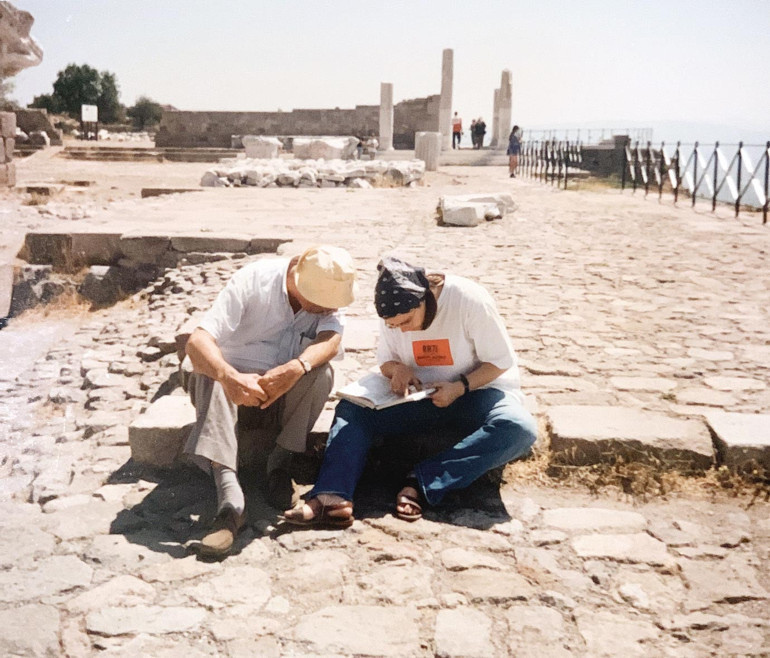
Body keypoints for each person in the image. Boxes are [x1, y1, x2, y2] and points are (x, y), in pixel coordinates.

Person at [284, 257, 536, 528]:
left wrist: (459, 387)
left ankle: (422, 481)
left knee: (518, 428)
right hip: (421, 397)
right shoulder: (393, 317)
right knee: (351, 409)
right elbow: (386, 360)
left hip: (477, 392)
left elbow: (500, 361)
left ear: (424, 299)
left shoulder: (469, 299)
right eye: (394, 326)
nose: (402, 329)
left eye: (407, 321)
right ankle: (332, 496)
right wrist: (397, 369)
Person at [184, 245, 356, 557]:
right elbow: (197, 341)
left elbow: (331, 340)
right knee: (206, 371)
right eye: (321, 305)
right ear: (298, 283)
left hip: (279, 396)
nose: (328, 310)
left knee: (321, 372)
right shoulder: (252, 281)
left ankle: (280, 465)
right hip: (232, 388)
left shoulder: (326, 291)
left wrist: (297, 367)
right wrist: (228, 376)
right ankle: (230, 501)